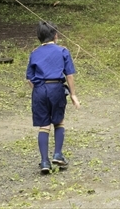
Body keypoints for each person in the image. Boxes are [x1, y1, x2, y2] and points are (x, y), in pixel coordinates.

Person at [25, 21, 80, 174]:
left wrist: (38, 90)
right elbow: (69, 75)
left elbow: (29, 78)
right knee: (59, 121)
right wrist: (73, 95)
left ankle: (44, 161)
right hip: (56, 87)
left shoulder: (34, 53)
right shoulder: (62, 51)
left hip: (39, 89)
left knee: (44, 125)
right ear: (55, 35)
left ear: (39, 37)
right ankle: (57, 154)